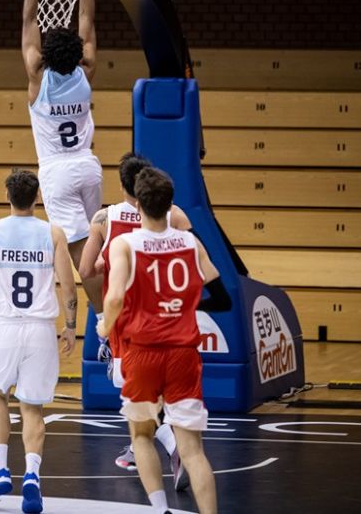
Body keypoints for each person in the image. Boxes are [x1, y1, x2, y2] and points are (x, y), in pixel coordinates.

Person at [97, 167, 220, 514]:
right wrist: (182, 306)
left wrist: (105, 327)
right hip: (183, 353)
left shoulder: (125, 244)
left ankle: (160, 508)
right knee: (194, 451)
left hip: (142, 352)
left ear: (137, 204)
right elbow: (218, 291)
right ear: (170, 206)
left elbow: (114, 297)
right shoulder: (190, 242)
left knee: (140, 436)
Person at [0, 169, 78, 514]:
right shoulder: (53, 233)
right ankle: (32, 476)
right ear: (37, 197)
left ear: (7, 196)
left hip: (4, 326)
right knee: (32, 407)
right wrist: (70, 326)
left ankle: (0, 470)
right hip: (40, 328)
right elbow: (69, 288)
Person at [79, 153, 194, 483]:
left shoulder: (105, 218)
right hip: (168, 313)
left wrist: (108, 266)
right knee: (158, 391)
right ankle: (153, 446)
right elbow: (193, 257)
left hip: (128, 318)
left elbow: (86, 270)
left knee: (136, 393)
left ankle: (171, 446)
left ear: (121, 184)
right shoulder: (174, 214)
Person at [21, 0, 104, 323]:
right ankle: (114, 306)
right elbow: (86, 18)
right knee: (98, 249)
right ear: (76, 53)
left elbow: (29, 21)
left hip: (57, 172)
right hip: (88, 166)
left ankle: (105, 321)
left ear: (45, 56)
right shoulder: (86, 71)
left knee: (82, 260)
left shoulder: (38, 79)